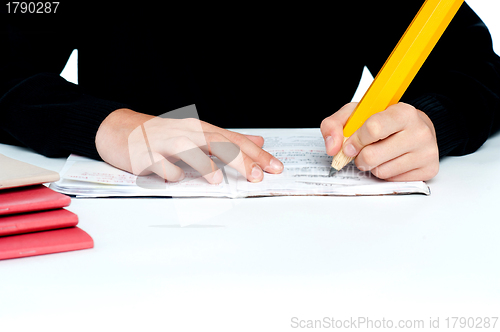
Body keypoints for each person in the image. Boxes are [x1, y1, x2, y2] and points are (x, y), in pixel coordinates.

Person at [1, 2, 500, 183]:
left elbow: (481, 72)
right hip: (121, 239)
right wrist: (115, 128)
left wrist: (435, 120)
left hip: (326, 246)